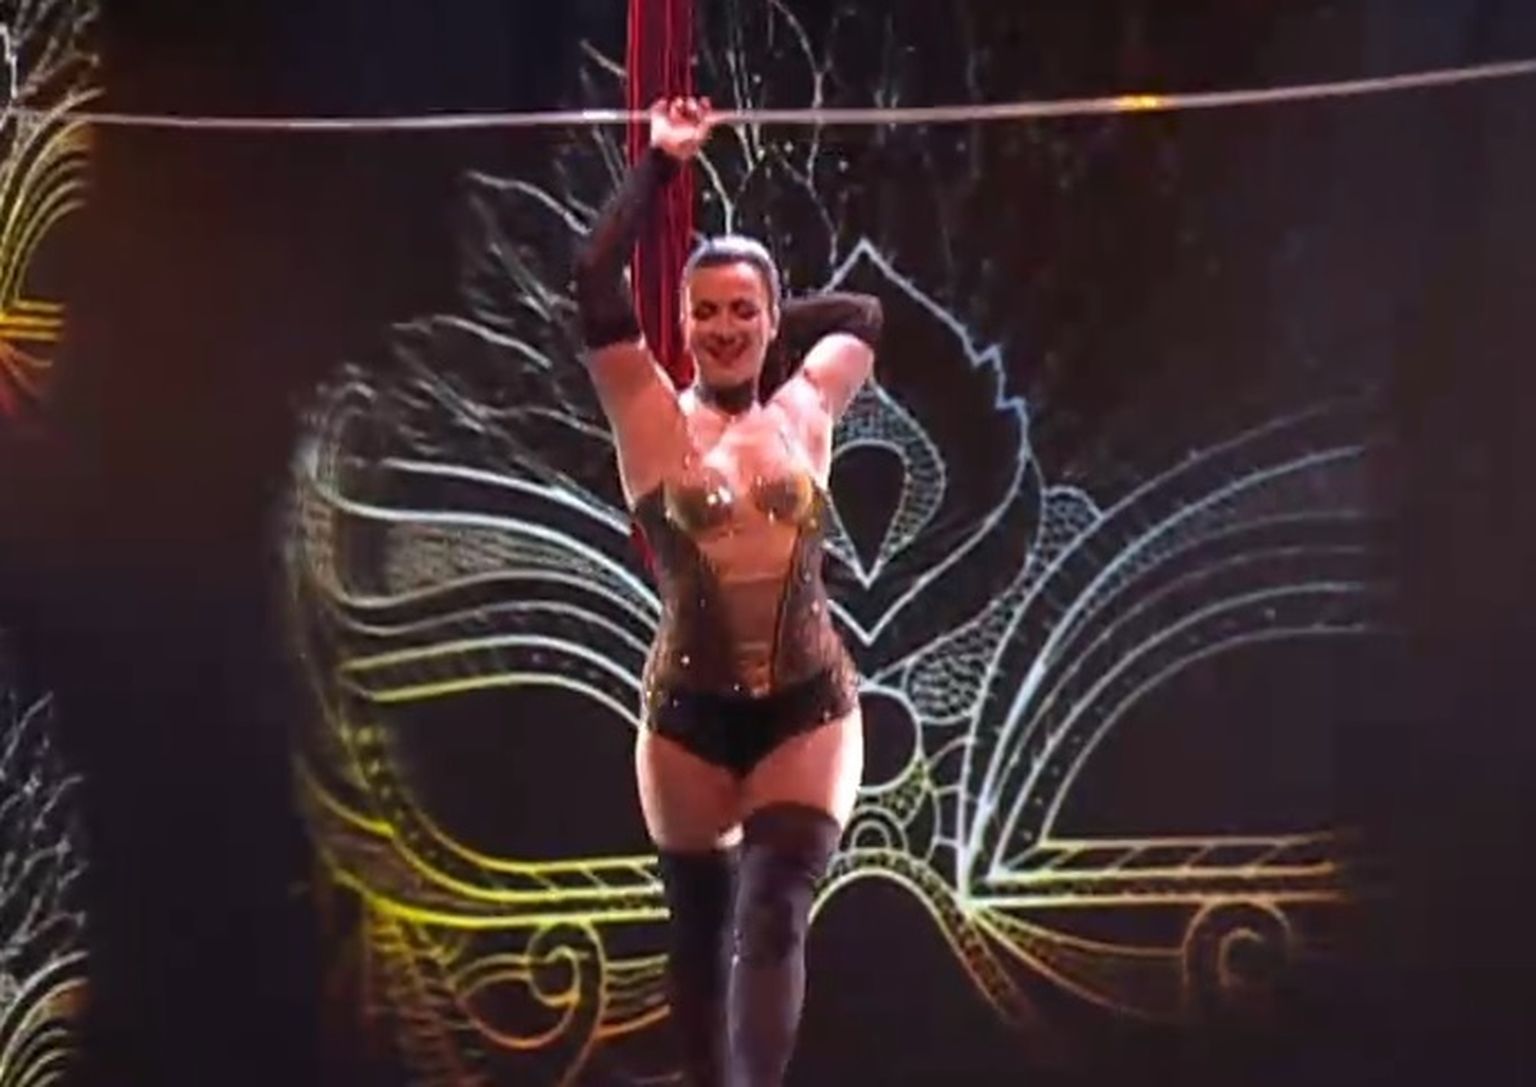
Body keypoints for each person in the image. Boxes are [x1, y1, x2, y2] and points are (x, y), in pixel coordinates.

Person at [573, 97, 882, 1086]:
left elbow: (865, 315)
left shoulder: (807, 407)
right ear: (680, 322)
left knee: (775, 908)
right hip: (688, 718)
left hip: (808, 707)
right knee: (701, 929)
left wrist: (776, 328)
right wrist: (663, 163)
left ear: (772, 320)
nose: (723, 327)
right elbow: (592, 278)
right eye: (705, 311)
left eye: (744, 310)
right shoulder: (649, 416)